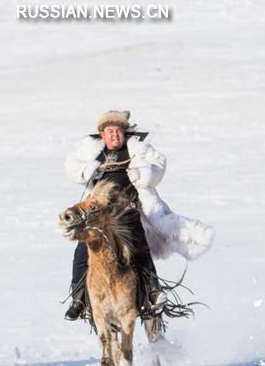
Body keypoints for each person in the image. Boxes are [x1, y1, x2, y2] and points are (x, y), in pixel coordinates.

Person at [63, 110, 214, 320]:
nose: (114, 135)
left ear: (124, 133)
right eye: (110, 131)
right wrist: (89, 170)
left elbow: (159, 166)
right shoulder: (92, 155)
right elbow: (71, 167)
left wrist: (143, 173)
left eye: (118, 131)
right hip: (98, 216)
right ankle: (78, 299)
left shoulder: (138, 151)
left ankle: (153, 292)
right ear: (102, 135)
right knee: (82, 251)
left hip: (128, 212)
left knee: (140, 247)